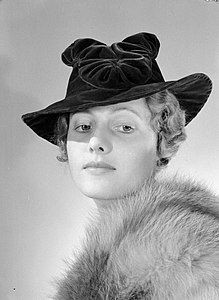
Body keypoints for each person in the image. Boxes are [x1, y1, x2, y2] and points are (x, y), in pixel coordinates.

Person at [22, 32, 219, 299]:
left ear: (162, 140)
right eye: (83, 126)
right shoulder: (103, 252)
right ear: (64, 142)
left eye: (124, 126)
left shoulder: (193, 260)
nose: (96, 142)